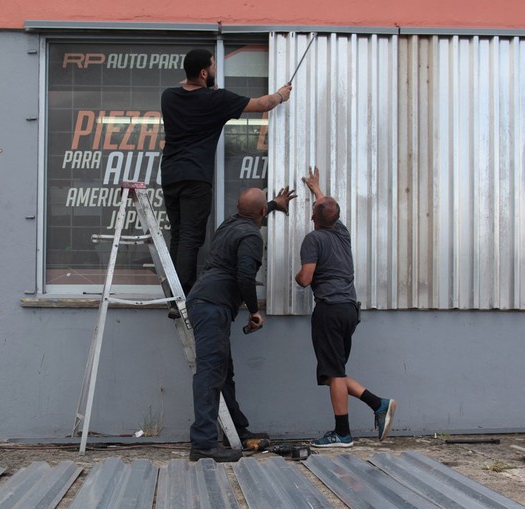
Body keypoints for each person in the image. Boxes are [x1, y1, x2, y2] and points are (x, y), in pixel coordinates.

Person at [161, 48, 292, 295]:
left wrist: (209, 88)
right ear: (203, 72)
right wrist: (281, 95)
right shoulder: (216, 100)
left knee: (178, 235)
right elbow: (263, 104)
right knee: (191, 237)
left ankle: (173, 293)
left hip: (170, 175)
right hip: (195, 178)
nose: (215, 70)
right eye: (212, 66)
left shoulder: (168, 97)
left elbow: (195, 102)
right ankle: (183, 294)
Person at [188, 186, 296, 462]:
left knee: (223, 372)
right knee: (211, 374)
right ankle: (203, 444)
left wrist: (273, 204)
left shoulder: (231, 223)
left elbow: (253, 211)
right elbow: (245, 277)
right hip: (212, 305)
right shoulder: (251, 236)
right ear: (260, 213)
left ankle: (238, 430)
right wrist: (253, 310)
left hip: (207, 301)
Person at [295, 167, 396, 447]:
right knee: (333, 373)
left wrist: (298, 276)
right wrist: (316, 189)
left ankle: (342, 434)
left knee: (335, 373)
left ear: (312, 217)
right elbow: (328, 207)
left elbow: (305, 279)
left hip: (329, 309)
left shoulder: (313, 239)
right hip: (349, 310)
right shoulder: (342, 232)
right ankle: (379, 404)